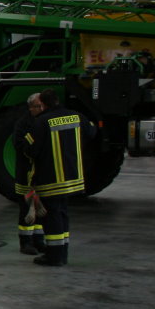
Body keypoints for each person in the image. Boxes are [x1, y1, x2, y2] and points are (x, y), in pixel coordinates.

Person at [25, 88, 94, 266]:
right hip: (73, 176)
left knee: (52, 216)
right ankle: (62, 253)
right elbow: (92, 133)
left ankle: (54, 256)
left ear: (43, 104)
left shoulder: (42, 122)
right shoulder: (77, 116)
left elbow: (32, 150)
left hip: (51, 179)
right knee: (63, 214)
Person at [13, 93, 46, 255]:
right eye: (38, 106)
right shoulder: (23, 124)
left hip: (40, 173)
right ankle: (25, 242)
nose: (41, 109)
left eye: (42, 106)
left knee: (40, 207)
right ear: (30, 108)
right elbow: (19, 144)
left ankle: (38, 240)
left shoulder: (43, 121)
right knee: (26, 207)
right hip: (25, 173)